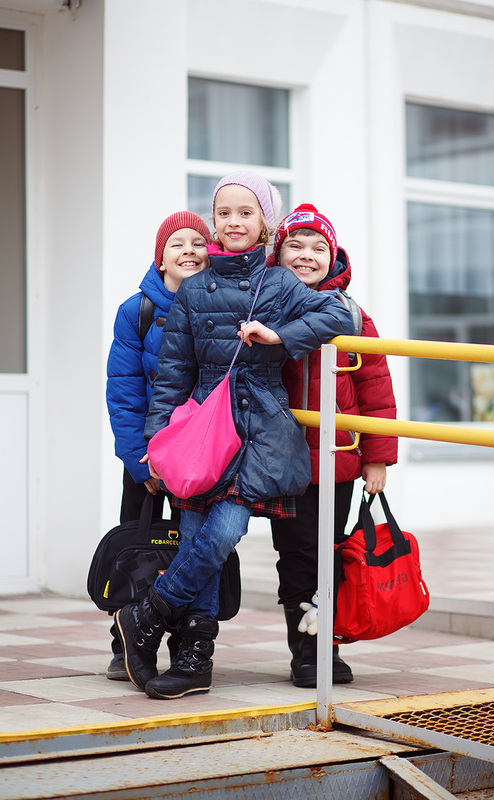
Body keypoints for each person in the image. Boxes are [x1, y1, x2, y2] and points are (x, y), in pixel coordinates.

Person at [114, 171, 356, 700]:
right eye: (224, 213)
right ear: (214, 223)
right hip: (204, 431)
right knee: (198, 538)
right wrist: (156, 442)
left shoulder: (279, 283)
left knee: (224, 532)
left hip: (261, 432)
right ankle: (195, 659)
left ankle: (148, 611)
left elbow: (341, 316)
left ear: (265, 222)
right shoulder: (194, 290)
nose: (234, 221)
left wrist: (279, 337)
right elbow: (173, 375)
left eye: (246, 212)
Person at [269, 204, 398, 687]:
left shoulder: (352, 315)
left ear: (333, 257)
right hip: (280, 461)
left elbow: (376, 389)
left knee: (333, 550)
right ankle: (305, 653)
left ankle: (328, 645)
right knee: (298, 553)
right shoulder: (263, 306)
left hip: (338, 460)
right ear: (277, 253)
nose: (307, 255)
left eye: (318, 248)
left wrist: (377, 457)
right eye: (295, 245)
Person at [105, 211, 211, 679]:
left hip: (200, 459)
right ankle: (124, 644)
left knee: (193, 547)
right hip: (145, 457)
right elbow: (124, 391)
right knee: (137, 545)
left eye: (198, 242)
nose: (189, 249)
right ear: (161, 259)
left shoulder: (220, 306)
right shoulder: (137, 311)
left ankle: (185, 644)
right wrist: (137, 460)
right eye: (177, 243)